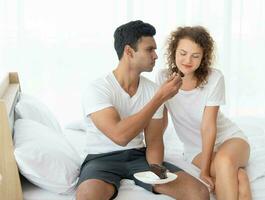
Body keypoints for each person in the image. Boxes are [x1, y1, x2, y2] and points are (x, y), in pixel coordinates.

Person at [76, 20, 209, 200]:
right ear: (129, 51)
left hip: (138, 157)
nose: (155, 56)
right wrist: (159, 98)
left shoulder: (153, 90)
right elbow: (120, 136)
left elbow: (154, 141)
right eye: (149, 50)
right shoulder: (98, 89)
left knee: (198, 192)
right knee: (87, 196)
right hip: (100, 159)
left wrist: (155, 169)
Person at [156, 26, 252, 200]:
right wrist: (152, 150)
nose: (187, 60)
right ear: (173, 52)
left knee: (224, 161)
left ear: (203, 57)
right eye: (183, 53)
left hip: (229, 139)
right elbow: (161, 120)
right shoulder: (163, 78)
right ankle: (240, 177)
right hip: (195, 150)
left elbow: (208, 127)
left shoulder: (214, 78)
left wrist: (205, 171)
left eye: (195, 56)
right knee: (237, 176)